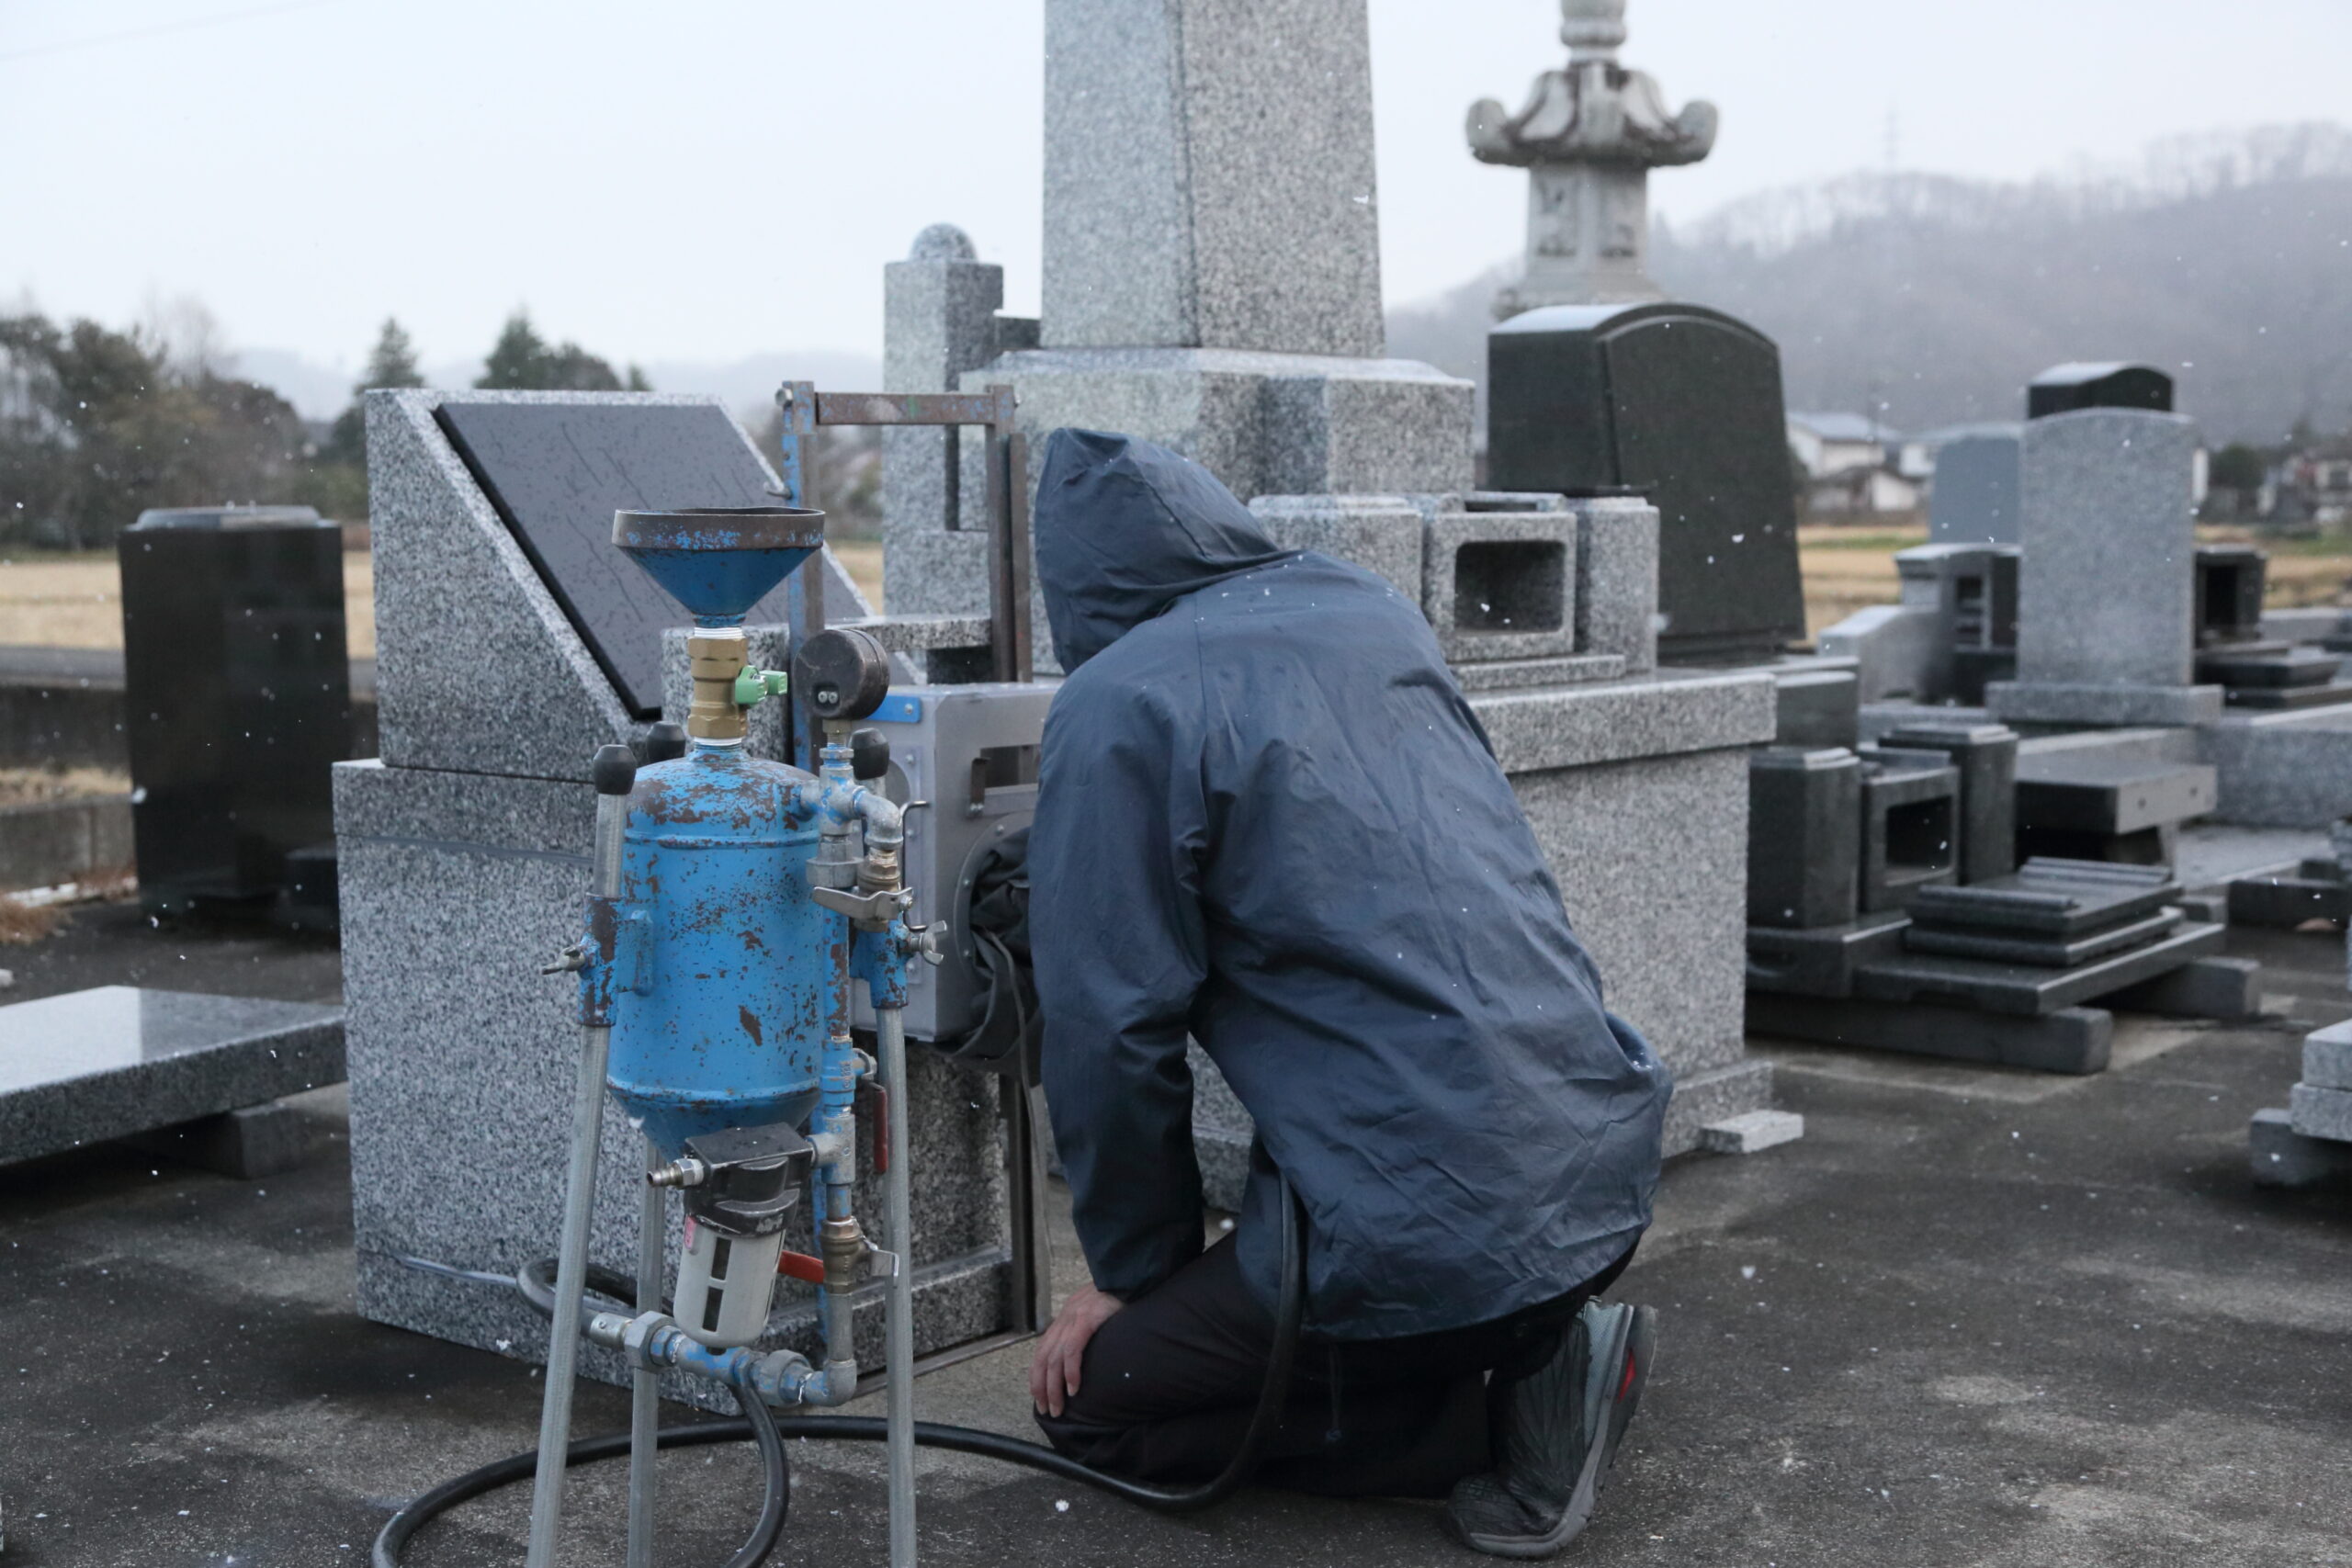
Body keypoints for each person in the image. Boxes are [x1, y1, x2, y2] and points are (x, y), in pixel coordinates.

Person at [1021, 428, 1672, 1557]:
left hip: (1431, 1225)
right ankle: (1533, 1335)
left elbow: (1109, 1031)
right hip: (1595, 1167)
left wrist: (1136, 1277)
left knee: (1092, 1410)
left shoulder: (1120, 701)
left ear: (1074, 581)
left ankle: (1507, 1414)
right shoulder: (1369, 612)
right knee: (1381, 1256)